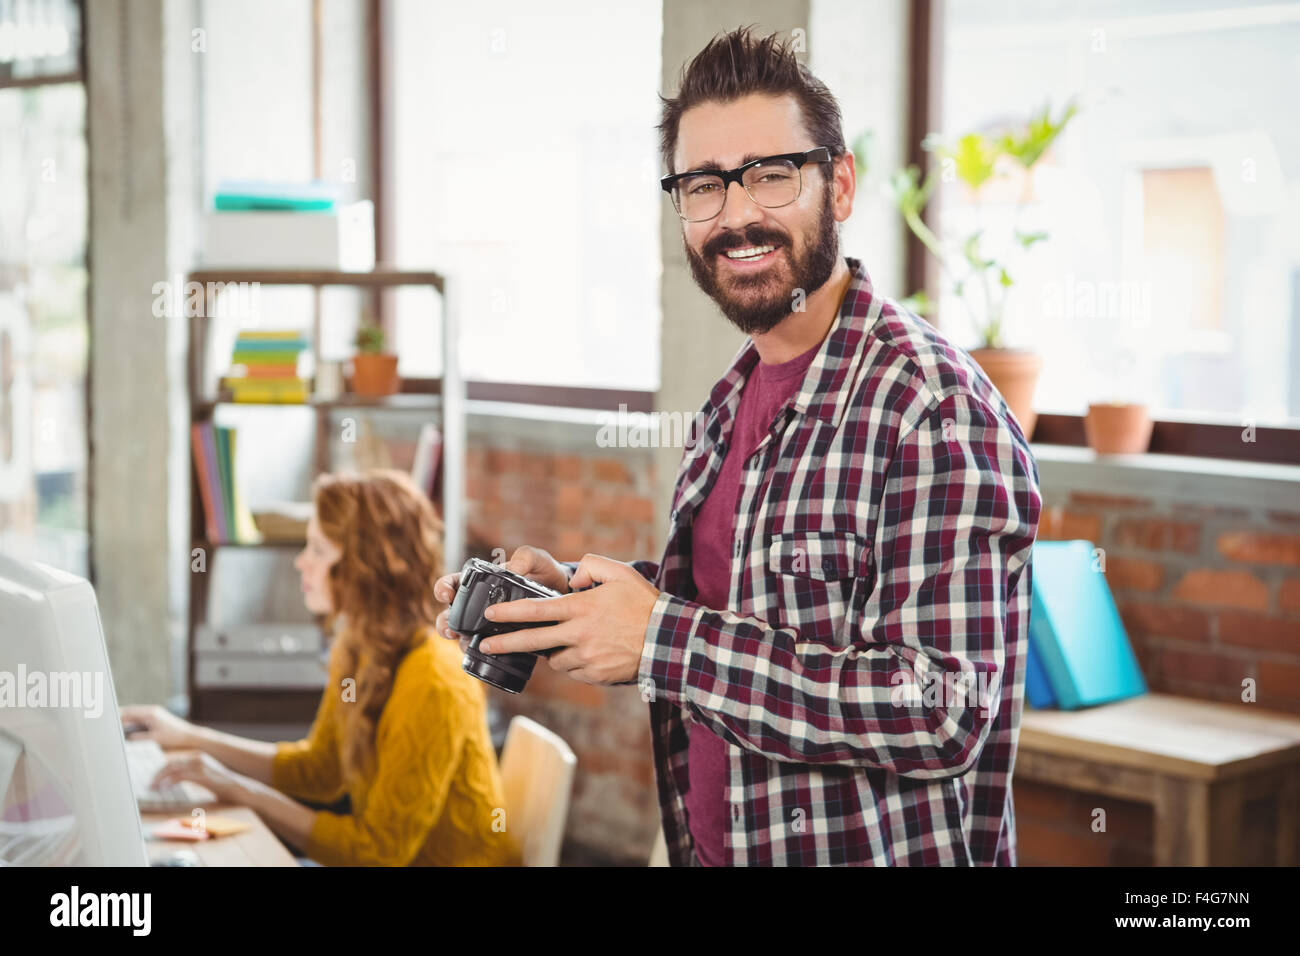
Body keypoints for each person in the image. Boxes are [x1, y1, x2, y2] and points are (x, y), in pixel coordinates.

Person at [435, 27, 1041, 866]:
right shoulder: (734, 395)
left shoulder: (930, 408)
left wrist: (659, 639)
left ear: (840, 185)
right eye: (704, 185)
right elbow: (751, 608)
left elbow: (940, 711)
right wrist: (582, 599)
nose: (739, 214)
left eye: (772, 174)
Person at [124, 469, 519, 867]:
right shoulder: (356, 646)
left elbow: (377, 855)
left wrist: (239, 789)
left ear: (361, 567)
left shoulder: (434, 679)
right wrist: (184, 737)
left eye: (316, 549)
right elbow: (320, 771)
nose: (301, 562)